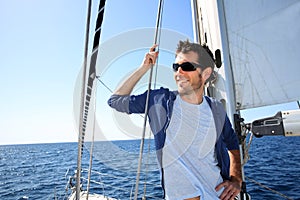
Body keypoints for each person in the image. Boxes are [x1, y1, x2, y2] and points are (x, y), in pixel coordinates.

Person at [108, 40, 242, 200]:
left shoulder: (216, 109)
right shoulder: (158, 101)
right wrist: (144, 67)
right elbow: (115, 101)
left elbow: (232, 144)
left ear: (206, 74)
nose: (179, 72)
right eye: (175, 67)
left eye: (187, 67)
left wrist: (236, 178)